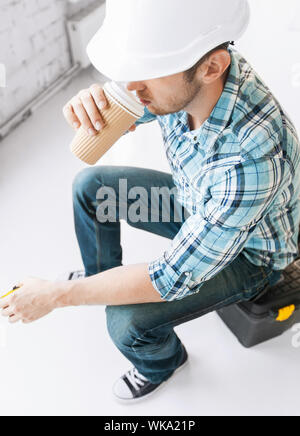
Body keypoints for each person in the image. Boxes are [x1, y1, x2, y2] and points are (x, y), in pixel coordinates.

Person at [1, 0, 300, 404]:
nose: (131, 86)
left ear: (212, 67)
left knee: (126, 322)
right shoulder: (186, 73)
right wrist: (96, 107)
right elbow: (135, 100)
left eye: (146, 74)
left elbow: (170, 277)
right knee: (93, 188)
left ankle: (162, 363)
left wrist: (56, 295)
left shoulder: (252, 161)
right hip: (199, 202)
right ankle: (101, 279)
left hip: (249, 255)